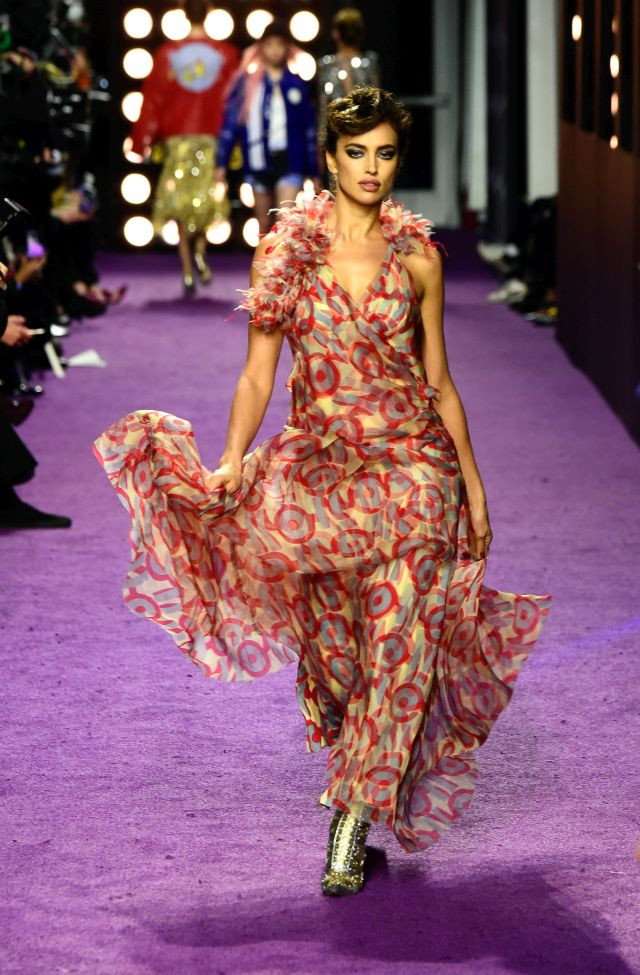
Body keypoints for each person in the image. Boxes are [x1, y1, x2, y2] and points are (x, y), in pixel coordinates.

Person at [94, 86, 551, 897]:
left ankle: (350, 819)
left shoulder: (419, 259)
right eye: (357, 152)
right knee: (340, 659)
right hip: (321, 481)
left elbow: (439, 382)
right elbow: (257, 374)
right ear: (330, 158)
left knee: (400, 648)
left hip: (414, 473)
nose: (372, 168)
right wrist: (231, 458)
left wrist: (473, 489)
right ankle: (357, 759)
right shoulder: (286, 256)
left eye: (386, 153)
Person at [130, 0, 239, 296]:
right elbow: (235, 101)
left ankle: (188, 270)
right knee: (207, 201)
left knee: (179, 204)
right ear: (210, 12)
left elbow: (152, 100)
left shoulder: (167, 54)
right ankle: (200, 251)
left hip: (178, 140)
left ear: (183, 14)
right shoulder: (226, 55)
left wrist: (140, 142)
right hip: (212, 137)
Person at [215, 19, 318, 236]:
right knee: (263, 223)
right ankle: (264, 259)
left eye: (280, 44)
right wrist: (221, 162)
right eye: (269, 44)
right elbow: (231, 124)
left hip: (289, 160)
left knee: (285, 222)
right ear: (261, 47)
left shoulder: (297, 84)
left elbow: (308, 129)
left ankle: (281, 259)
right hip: (257, 159)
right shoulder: (247, 83)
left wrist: (314, 171)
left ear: (288, 48)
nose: (274, 50)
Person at [316, 8, 380, 150]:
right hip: (357, 135)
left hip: (348, 136)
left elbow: (323, 106)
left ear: (336, 33)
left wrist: (321, 143)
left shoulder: (327, 65)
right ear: (361, 34)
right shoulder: (369, 63)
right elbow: (376, 105)